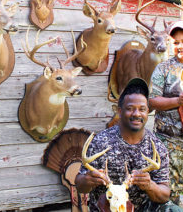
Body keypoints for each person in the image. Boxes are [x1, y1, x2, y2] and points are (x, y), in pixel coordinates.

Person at [75, 78, 182, 211]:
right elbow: (79, 185)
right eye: (130, 109)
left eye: (142, 109)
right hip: (107, 207)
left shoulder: (157, 147)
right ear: (120, 111)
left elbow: (165, 194)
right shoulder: (101, 141)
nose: (137, 114)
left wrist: (150, 185)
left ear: (148, 111)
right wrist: (87, 180)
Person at [149, 20, 183, 206]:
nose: (180, 46)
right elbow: (152, 101)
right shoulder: (162, 68)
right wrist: (177, 101)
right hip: (167, 143)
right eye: (176, 42)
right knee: (169, 196)